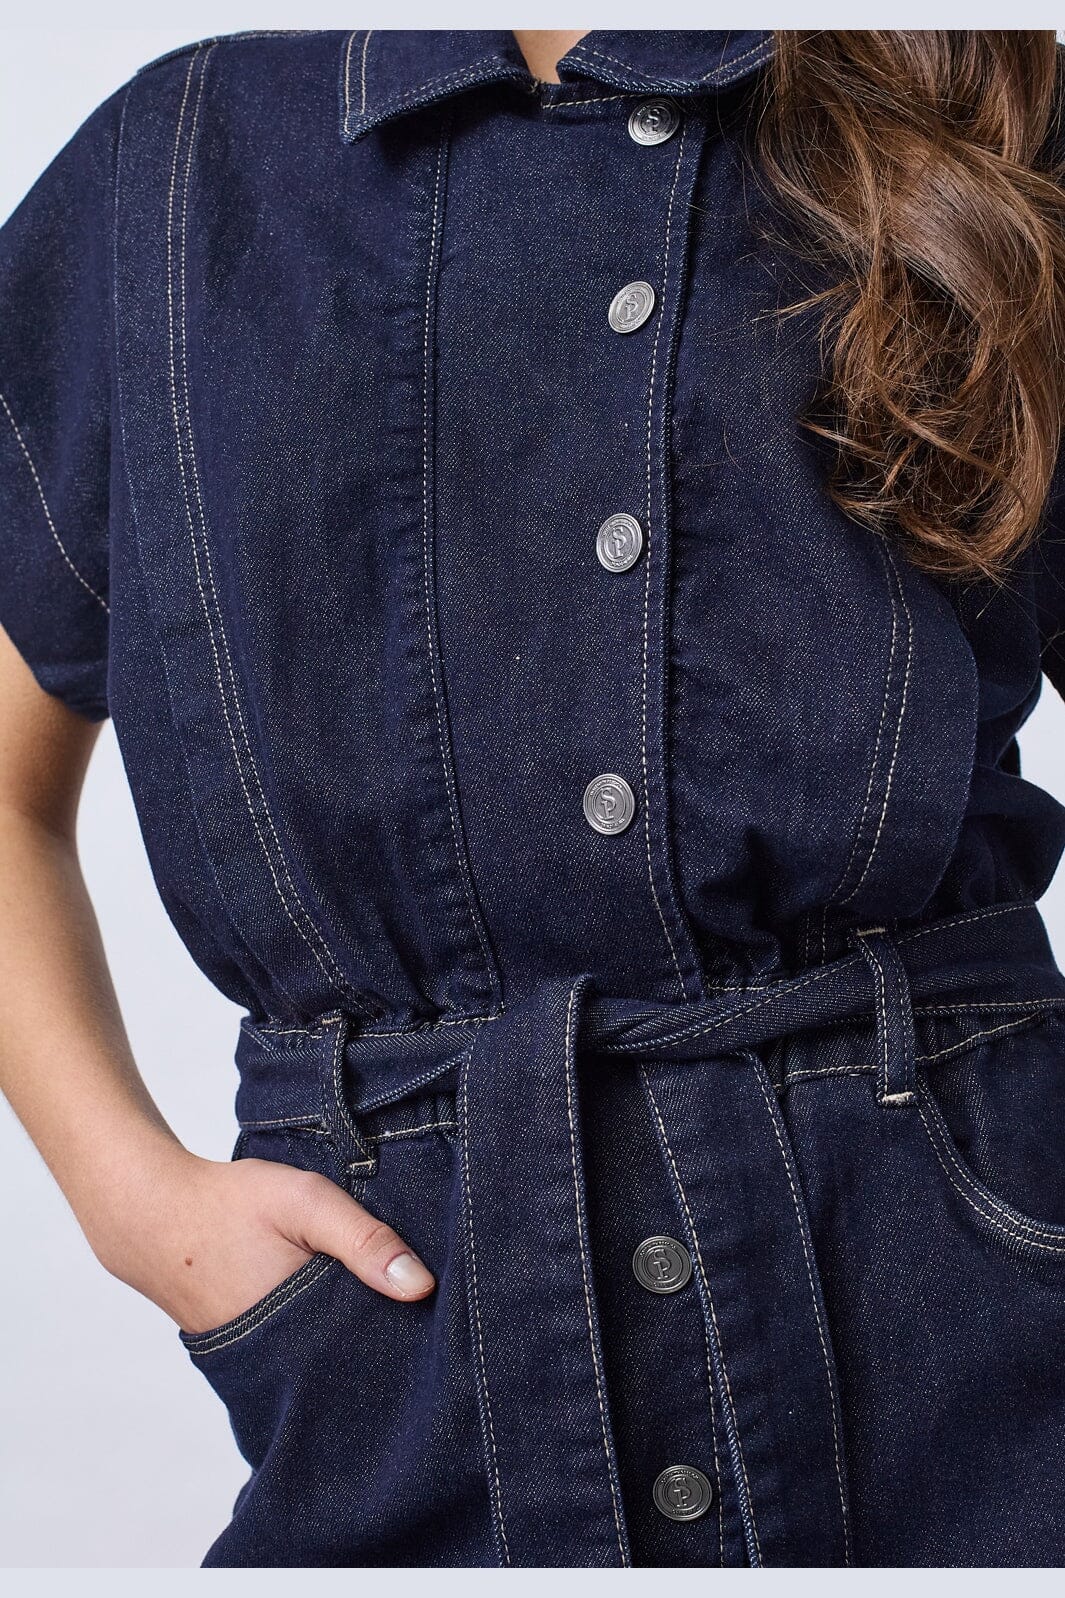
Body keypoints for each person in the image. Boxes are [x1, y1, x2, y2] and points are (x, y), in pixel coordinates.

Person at [2, 24, 1065, 1570]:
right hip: (403, 1325)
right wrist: (134, 1203)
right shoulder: (176, 169)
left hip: (964, 1283)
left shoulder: (986, 113)